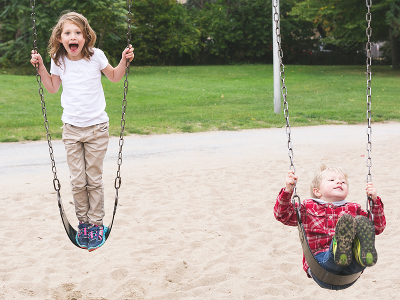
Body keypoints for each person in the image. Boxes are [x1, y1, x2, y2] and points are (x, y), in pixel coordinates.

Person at [30, 12, 134, 252]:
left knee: (93, 179)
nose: (72, 36)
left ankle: (96, 223)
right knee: (78, 181)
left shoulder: (96, 57)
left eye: (77, 32)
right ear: (60, 37)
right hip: (72, 129)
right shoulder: (59, 59)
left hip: (97, 128)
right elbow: (53, 88)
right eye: (67, 33)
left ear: (86, 37)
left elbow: (116, 77)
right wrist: (41, 68)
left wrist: (123, 61)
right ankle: (84, 223)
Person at [274, 165, 386, 290]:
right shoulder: (307, 206)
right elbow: (282, 215)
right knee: (335, 254)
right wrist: (288, 190)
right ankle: (340, 250)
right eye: (332, 180)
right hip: (321, 265)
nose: (339, 182)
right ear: (317, 191)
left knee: (362, 225)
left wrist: (374, 200)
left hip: (350, 272)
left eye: (343, 182)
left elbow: (377, 227)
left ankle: (361, 256)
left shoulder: (354, 208)